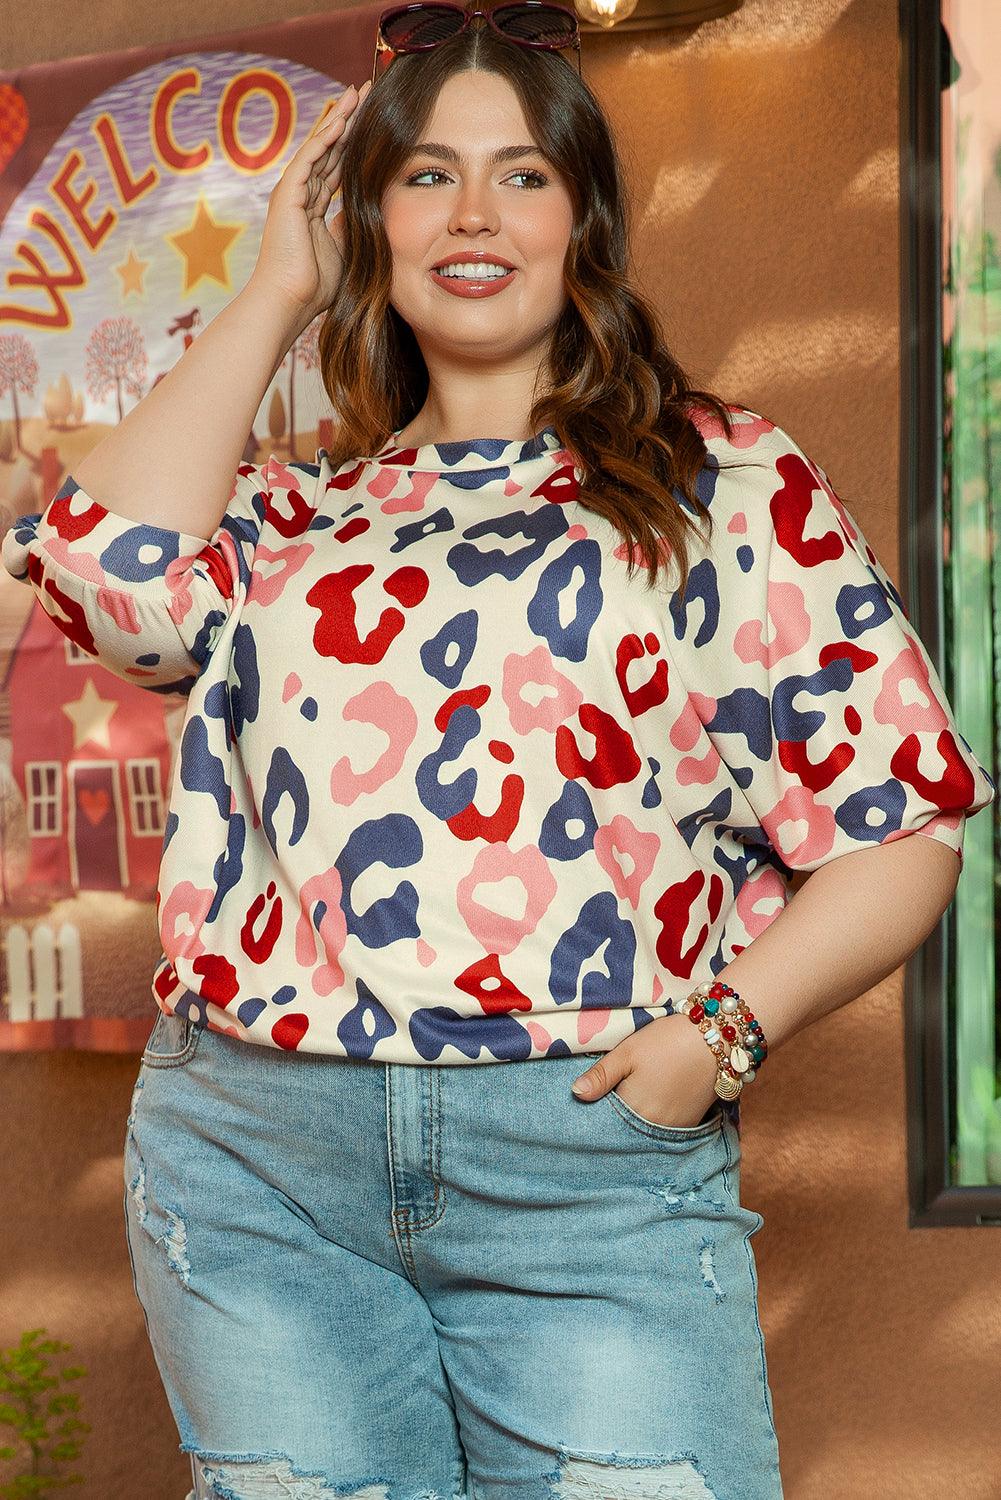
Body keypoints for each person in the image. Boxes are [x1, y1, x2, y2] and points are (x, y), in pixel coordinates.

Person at [2, 6, 995, 1498]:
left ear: (583, 220)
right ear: (367, 217)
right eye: (426, 176)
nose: (473, 214)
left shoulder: (719, 478)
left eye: (522, 174)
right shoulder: (286, 519)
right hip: (259, 1160)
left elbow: (902, 819)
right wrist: (277, 283)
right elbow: (102, 572)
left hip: (584, 1155)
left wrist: (717, 1041)